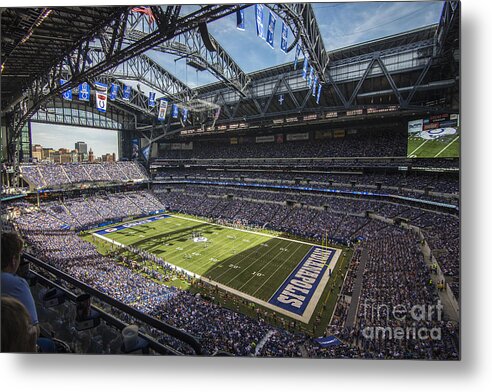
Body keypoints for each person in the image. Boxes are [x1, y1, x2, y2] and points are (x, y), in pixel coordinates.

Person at [1, 231, 39, 328]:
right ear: (14, 260)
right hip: (11, 340)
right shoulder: (17, 284)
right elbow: (35, 328)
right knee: (48, 343)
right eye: (19, 256)